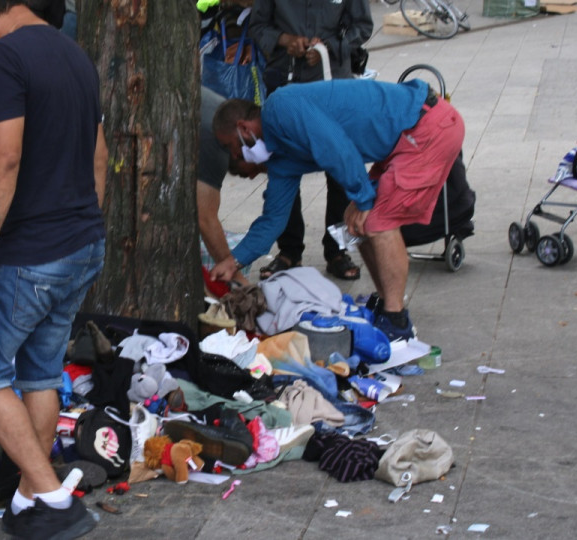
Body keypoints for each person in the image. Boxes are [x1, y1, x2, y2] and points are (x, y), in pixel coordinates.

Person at [0, 0, 107, 538]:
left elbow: (3, 156)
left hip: (29, 253)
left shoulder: (4, 57)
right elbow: (99, 154)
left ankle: (56, 499)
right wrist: (86, 223)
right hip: (81, 243)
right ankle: (28, 500)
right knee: (39, 373)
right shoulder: (75, 55)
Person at [209, 79, 465, 341]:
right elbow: (273, 219)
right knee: (354, 224)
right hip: (405, 140)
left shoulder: (279, 109)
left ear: (243, 128)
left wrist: (364, 200)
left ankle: (396, 321)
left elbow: (335, 147)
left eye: (233, 149)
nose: (237, 157)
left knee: (378, 220)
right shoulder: (282, 159)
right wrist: (234, 260)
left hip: (427, 126)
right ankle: (387, 303)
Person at [248, 0, 372, 280]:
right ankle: (289, 251)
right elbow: (258, 25)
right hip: (285, 82)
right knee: (284, 166)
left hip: (333, 85)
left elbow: (362, 27)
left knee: (340, 169)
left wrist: (327, 46)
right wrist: (285, 40)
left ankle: (337, 250)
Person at [197, 86, 265, 286]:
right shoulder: (216, 140)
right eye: (257, 168)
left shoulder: (225, 129)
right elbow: (206, 219)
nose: (252, 177)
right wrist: (236, 277)